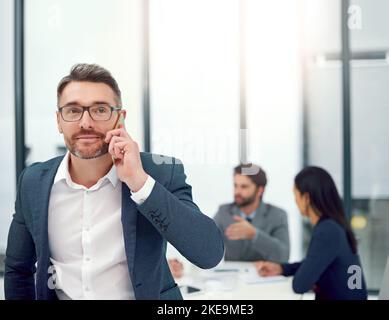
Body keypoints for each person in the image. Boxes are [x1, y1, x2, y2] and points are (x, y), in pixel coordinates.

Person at [4, 63, 224, 300]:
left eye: (100, 110)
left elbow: (208, 254)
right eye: (72, 110)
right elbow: (18, 270)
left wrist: (139, 183)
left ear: (120, 118)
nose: (85, 123)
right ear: (59, 120)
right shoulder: (34, 182)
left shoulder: (160, 172)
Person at [255, 166, 367, 300]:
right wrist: (282, 269)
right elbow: (312, 263)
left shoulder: (327, 231)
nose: (295, 201)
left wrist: (311, 278)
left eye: (295, 194)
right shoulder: (333, 225)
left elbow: (300, 285)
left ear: (306, 198)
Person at [213, 164, 289, 262]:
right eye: (235, 186)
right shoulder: (224, 211)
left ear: (260, 191)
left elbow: (284, 255)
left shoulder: (277, 215)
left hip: (263, 275)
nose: (237, 192)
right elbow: (206, 242)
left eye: (244, 187)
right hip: (231, 276)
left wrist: (254, 235)